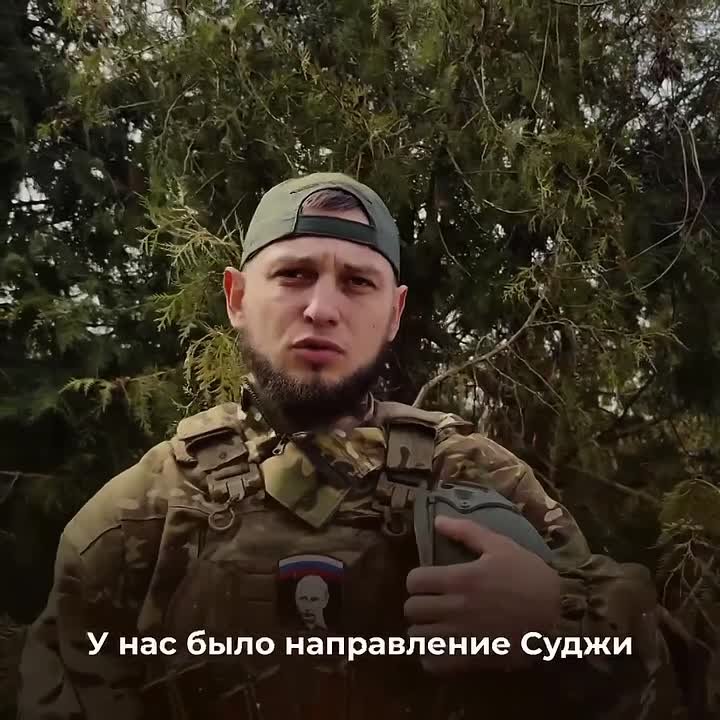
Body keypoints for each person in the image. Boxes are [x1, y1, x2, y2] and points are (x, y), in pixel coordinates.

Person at [17, 172, 693, 720]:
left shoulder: (479, 479)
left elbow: (666, 693)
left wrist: (560, 627)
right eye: (293, 275)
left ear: (394, 313)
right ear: (236, 297)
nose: (322, 308)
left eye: (358, 282)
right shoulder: (143, 513)